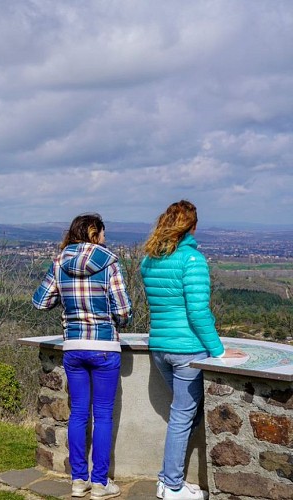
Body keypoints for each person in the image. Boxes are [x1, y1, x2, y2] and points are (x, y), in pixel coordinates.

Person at [141, 200, 245, 500]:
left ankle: (171, 480)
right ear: (193, 227)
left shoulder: (148, 260)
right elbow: (198, 312)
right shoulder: (193, 260)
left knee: (186, 411)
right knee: (183, 414)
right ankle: (170, 484)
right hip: (188, 350)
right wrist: (219, 351)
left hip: (159, 346)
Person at [33, 213, 132, 500]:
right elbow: (123, 311)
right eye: (102, 233)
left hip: (74, 347)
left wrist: (65, 300)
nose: (104, 238)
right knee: (102, 416)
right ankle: (100, 483)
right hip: (103, 347)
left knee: (78, 414)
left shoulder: (59, 261)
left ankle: (78, 480)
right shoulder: (109, 262)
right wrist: (114, 318)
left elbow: (40, 302)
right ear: (93, 233)